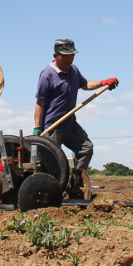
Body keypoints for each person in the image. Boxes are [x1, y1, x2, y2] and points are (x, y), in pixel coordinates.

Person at [33, 38, 118, 175]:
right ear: (56, 56)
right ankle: (54, 187)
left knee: (86, 149)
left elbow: (85, 85)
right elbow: (40, 103)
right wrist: (37, 127)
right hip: (52, 127)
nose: (69, 60)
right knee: (51, 160)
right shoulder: (47, 75)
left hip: (70, 125)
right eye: (65, 56)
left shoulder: (73, 70)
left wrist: (103, 82)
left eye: (71, 56)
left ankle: (76, 180)